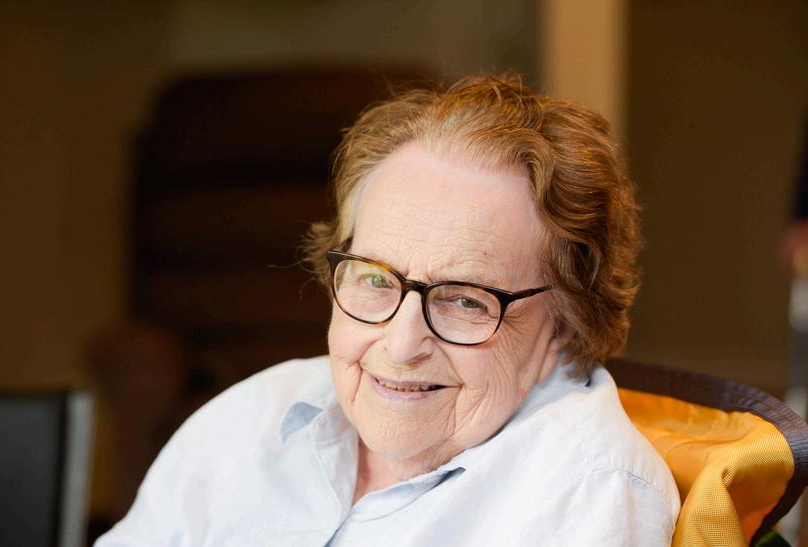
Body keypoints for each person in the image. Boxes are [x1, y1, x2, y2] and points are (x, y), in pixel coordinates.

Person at [96, 74, 680, 546]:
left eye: (465, 300)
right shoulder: (255, 417)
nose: (400, 346)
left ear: (565, 323)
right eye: (376, 279)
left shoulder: (585, 495)